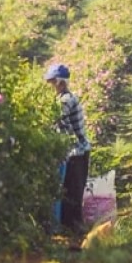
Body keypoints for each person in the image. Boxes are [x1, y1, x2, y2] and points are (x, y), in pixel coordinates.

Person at [45, 63, 91, 239]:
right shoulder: (65, 98)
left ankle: (76, 233)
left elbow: (57, 123)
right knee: (70, 192)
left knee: (72, 193)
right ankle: (72, 230)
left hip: (76, 153)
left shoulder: (65, 101)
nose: (50, 87)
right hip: (75, 152)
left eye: (52, 83)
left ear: (60, 83)